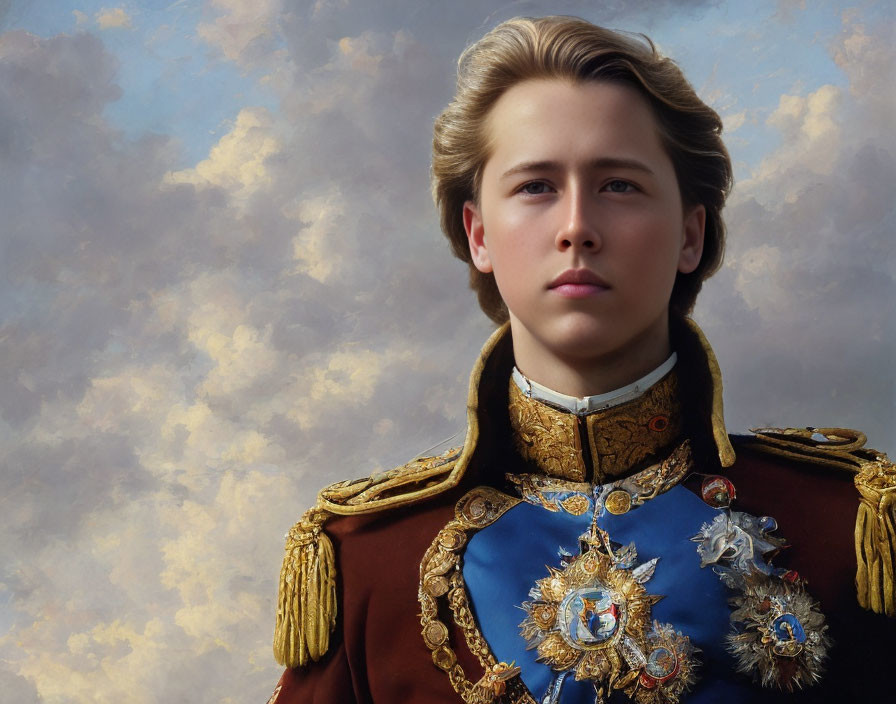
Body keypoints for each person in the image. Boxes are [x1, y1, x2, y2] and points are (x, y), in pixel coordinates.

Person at [266, 16, 894, 704]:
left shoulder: (847, 531)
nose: (576, 228)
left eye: (618, 185)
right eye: (536, 186)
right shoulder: (367, 560)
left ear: (690, 233)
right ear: (479, 234)